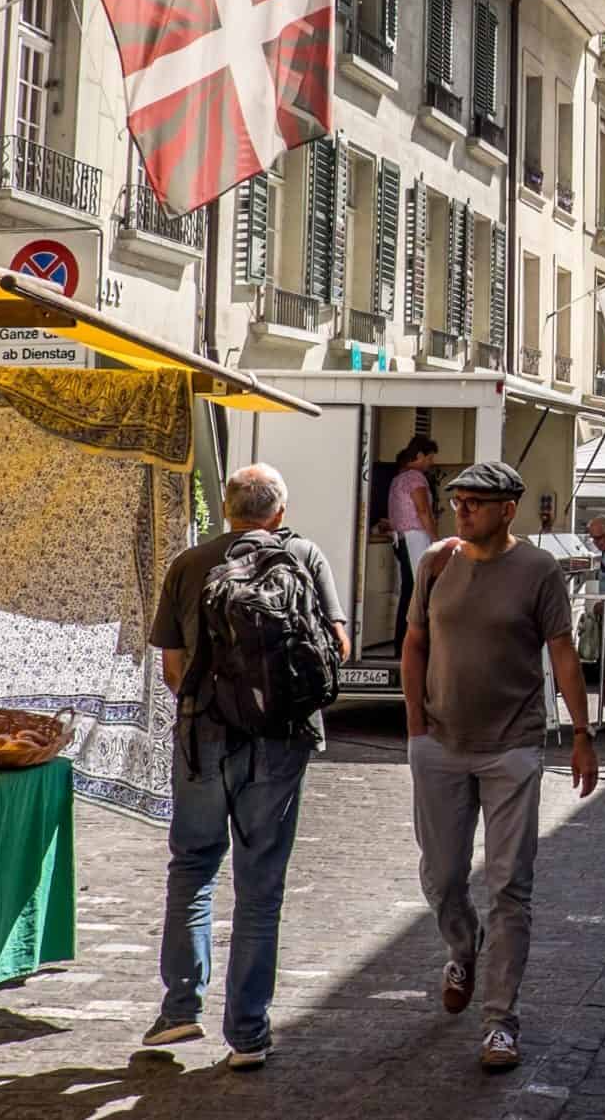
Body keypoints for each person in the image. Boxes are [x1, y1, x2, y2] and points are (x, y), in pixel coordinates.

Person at [145, 463, 350, 1069]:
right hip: (281, 743)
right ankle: (248, 1034)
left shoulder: (188, 564)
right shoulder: (306, 558)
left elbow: (172, 670)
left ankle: (180, 1010)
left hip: (204, 739)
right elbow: (336, 648)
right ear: (278, 514)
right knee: (260, 889)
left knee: (192, 870)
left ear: (228, 508)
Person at [405, 461, 598, 1074]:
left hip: (513, 744)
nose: (462, 510)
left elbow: (563, 655)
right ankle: (463, 946)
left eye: (476, 503)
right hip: (438, 741)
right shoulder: (435, 562)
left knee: (510, 884)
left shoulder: (538, 571)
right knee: (441, 877)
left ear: (508, 508)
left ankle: (500, 1022)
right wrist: (414, 723)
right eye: (458, 500)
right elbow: (414, 643)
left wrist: (583, 734)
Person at [385, 437, 439, 648]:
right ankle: (411, 642)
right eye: (430, 457)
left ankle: (402, 642)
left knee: (408, 588)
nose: (431, 462)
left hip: (401, 538)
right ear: (419, 456)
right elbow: (423, 511)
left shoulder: (398, 478)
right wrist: (435, 538)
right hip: (415, 536)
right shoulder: (416, 478)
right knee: (418, 589)